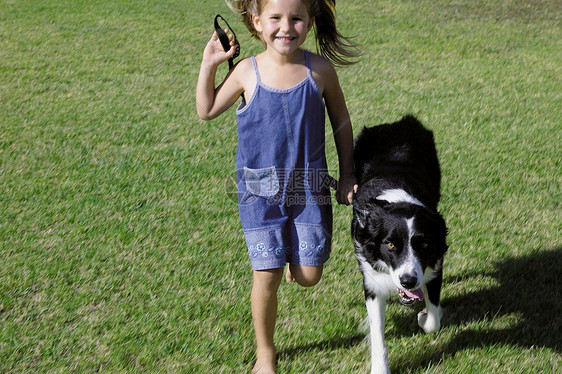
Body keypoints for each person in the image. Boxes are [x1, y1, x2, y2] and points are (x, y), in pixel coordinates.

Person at [196, 0, 358, 372]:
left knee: (309, 275)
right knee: (265, 276)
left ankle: (292, 261)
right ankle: (265, 354)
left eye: (296, 18)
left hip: (310, 189)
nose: (286, 27)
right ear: (256, 22)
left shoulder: (319, 70)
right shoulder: (246, 73)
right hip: (260, 194)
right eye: (275, 18)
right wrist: (210, 65)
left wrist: (347, 174)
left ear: (310, 22)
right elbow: (206, 110)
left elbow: (342, 122)